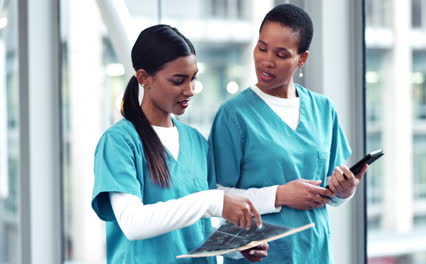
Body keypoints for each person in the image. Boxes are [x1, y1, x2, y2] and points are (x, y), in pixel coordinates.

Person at [91, 24, 268, 264]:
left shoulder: (196, 141)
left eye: (193, 78)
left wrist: (236, 245)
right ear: (144, 78)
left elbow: (200, 226)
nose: (190, 90)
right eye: (178, 80)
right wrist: (212, 202)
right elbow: (133, 223)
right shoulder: (119, 142)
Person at [208, 4, 368, 264]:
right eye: (262, 48)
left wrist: (345, 190)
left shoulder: (323, 109)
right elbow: (217, 196)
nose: (267, 61)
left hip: (314, 250)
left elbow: (328, 191)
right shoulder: (233, 115)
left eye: (281, 54)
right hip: (259, 254)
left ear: (301, 59)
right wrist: (279, 195)